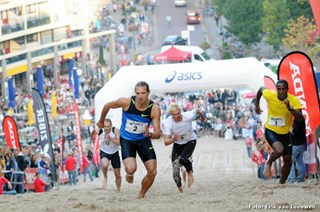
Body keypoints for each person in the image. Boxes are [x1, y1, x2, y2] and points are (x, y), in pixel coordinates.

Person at [96, 81, 161, 199]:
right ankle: (129, 173)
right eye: (138, 93)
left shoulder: (154, 109)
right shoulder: (126, 102)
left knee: (152, 172)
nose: (140, 96)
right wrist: (101, 121)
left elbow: (158, 133)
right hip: (127, 140)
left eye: (143, 93)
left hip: (143, 140)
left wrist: (150, 134)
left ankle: (141, 194)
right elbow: (107, 105)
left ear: (148, 93)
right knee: (131, 168)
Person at [255, 79, 303, 184]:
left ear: (287, 90)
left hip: (285, 133)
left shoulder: (293, 100)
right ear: (276, 89)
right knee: (279, 150)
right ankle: (268, 163)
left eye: (283, 89)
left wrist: (290, 108)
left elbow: (300, 118)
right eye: (279, 89)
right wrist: (257, 105)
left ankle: (281, 184)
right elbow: (260, 89)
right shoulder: (270, 95)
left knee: (288, 161)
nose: (281, 91)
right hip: (271, 130)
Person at [162, 103, 206, 192]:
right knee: (175, 171)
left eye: (178, 113)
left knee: (183, 159)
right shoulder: (168, 122)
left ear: (180, 112)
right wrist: (173, 138)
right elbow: (166, 142)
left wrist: (201, 116)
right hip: (177, 144)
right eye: (174, 114)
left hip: (190, 141)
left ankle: (190, 172)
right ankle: (181, 191)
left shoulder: (188, 116)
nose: (176, 116)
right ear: (170, 114)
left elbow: (200, 114)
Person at [99, 119, 121, 191]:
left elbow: (118, 142)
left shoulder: (115, 130)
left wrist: (110, 138)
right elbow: (93, 132)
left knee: (117, 175)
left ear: (111, 126)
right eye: (105, 126)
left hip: (114, 152)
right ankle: (105, 177)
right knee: (105, 164)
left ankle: (118, 189)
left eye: (108, 126)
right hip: (104, 151)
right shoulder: (100, 131)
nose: (106, 128)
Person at [287, 117, 307, 184]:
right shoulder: (302, 119)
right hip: (301, 143)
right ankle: (300, 178)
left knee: (290, 160)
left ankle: (291, 178)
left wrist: (290, 130)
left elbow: (295, 131)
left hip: (296, 144)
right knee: (300, 161)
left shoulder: (297, 120)